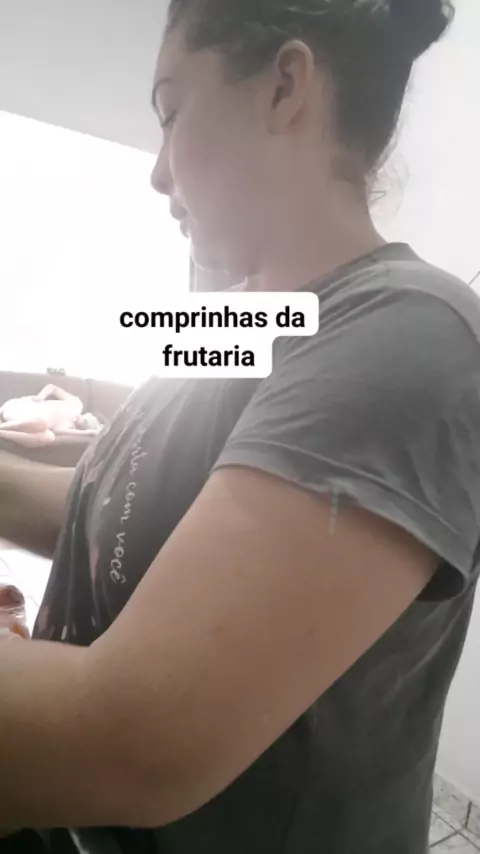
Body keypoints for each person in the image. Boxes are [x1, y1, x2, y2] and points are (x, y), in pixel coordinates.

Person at [0, 0, 479, 852]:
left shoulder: (412, 333)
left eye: (170, 112)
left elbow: (131, 739)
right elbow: (116, 497)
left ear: (285, 86)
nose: (157, 174)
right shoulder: (230, 324)